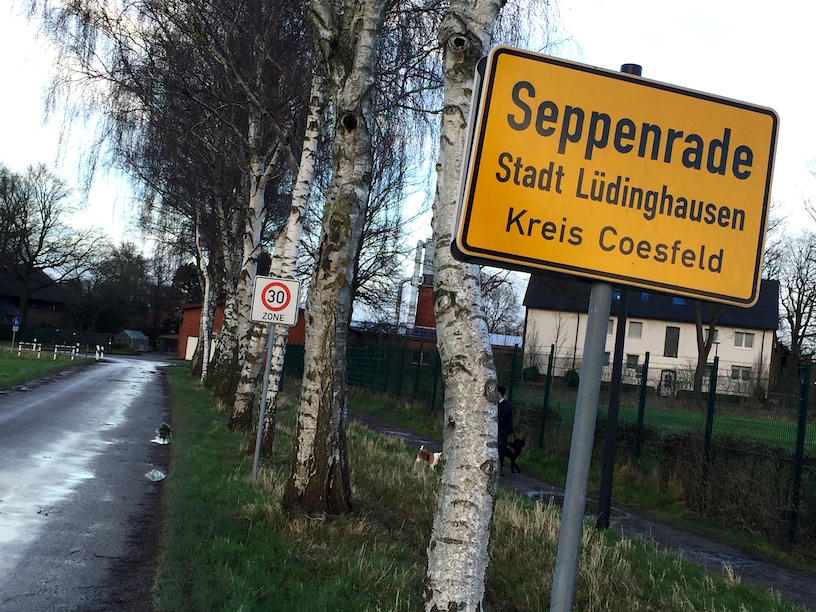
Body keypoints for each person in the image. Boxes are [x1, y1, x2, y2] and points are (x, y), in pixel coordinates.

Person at [497, 385, 513, 461]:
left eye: (499, 394)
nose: (497, 396)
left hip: (503, 429)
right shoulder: (494, 404)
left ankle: (500, 463)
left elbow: (510, 417)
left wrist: (510, 428)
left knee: (502, 447)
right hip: (495, 428)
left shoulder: (506, 405)